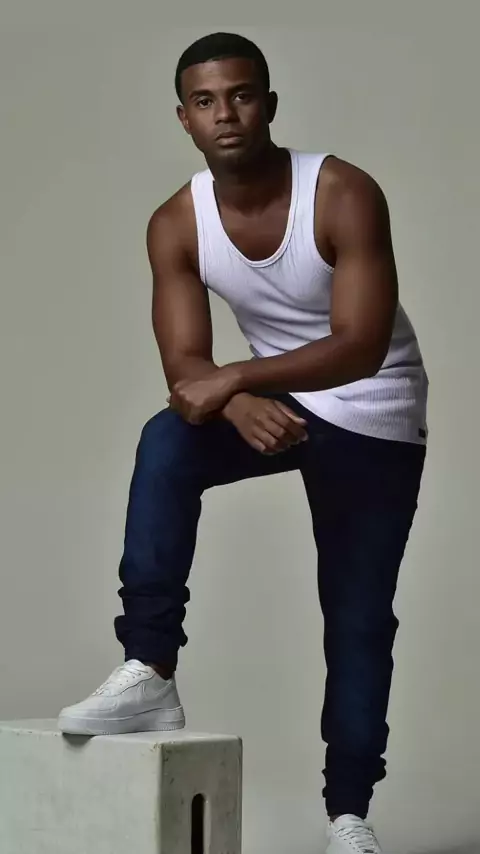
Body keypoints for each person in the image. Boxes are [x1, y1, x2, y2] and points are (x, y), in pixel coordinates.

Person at [58, 32, 428, 853]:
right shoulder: (176, 223)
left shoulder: (341, 192)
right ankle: (150, 669)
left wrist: (234, 381)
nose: (225, 113)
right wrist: (233, 399)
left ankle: (348, 817)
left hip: (375, 408)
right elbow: (186, 371)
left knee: (357, 616)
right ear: (184, 119)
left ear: (268, 104)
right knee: (167, 440)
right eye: (205, 101)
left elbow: (361, 344)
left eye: (241, 95)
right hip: (273, 396)